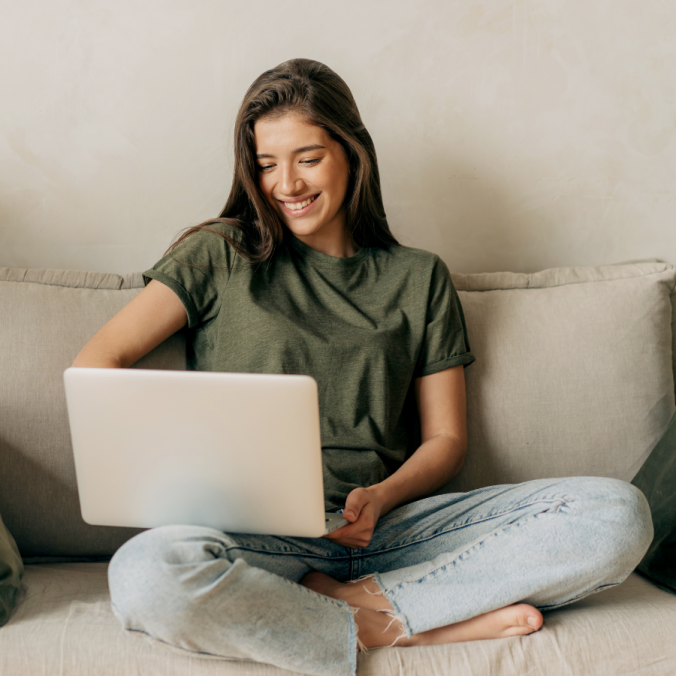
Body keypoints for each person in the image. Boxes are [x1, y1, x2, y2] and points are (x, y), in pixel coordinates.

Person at [72, 58, 653, 676]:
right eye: (267, 164)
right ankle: (403, 625)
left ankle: (358, 607)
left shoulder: (419, 276)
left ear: (353, 153)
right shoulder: (219, 254)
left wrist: (381, 496)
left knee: (617, 513)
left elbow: (447, 440)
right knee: (144, 574)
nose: (285, 184)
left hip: (393, 529)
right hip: (256, 538)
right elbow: (97, 365)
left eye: (308, 158)